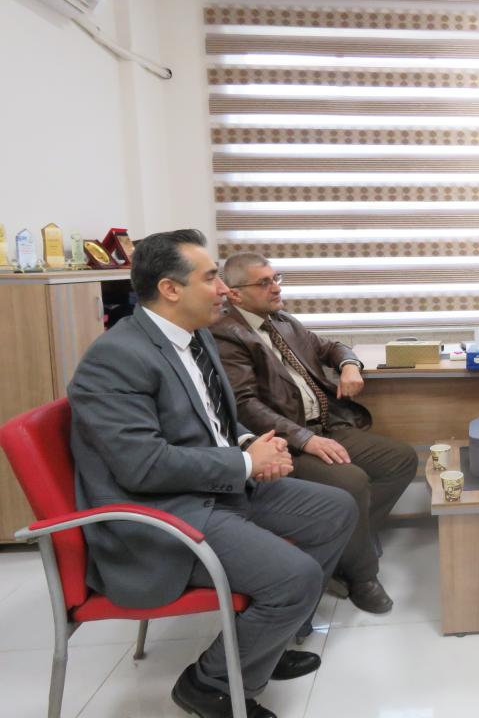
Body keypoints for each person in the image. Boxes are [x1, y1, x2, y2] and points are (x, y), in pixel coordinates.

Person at [69, 230, 357, 718]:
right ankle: (210, 684)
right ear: (170, 289)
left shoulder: (196, 335)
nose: (224, 289)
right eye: (210, 278)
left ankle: (266, 641)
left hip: (211, 486)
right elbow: (142, 466)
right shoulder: (115, 359)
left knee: (336, 509)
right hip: (163, 511)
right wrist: (245, 464)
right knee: (296, 578)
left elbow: (215, 418)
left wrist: (250, 445)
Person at [211, 252, 418, 615]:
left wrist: (349, 364)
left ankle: (344, 546)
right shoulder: (226, 334)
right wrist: (304, 439)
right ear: (235, 294)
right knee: (352, 481)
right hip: (283, 443)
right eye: (264, 282)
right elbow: (245, 406)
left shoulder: (282, 321)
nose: (276, 288)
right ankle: (362, 576)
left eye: (276, 278)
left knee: (401, 460)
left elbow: (330, 347)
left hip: (326, 426)